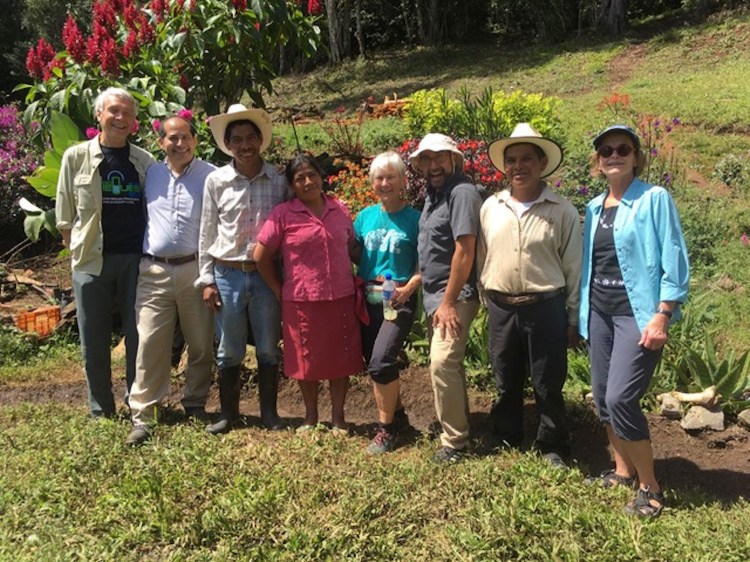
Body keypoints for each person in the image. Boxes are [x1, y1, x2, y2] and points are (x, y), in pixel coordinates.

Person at [580, 124, 689, 517]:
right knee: (601, 396)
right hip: (599, 313)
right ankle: (622, 470)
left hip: (637, 315)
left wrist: (663, 315)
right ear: (598, 160)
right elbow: (592, 266)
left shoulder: (654, 198)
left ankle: (650, 487)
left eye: (623, 149)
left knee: (620, 397)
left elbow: (673, 256)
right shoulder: (594, 207)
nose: (614, 155)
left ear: (636, 156)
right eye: (606, 150)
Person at [479, 123, 582, 467]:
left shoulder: (562, 210)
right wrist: (487, 298)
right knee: (505, 378)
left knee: (547, 381)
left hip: (545, 307)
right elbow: (482, 257)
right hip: (501, 306)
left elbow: (573, 266)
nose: (518, 166)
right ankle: (506, 435)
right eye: (511, 160)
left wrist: (572, 317)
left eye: (527, 159)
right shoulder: (491, 207)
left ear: (542, 164)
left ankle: (553, 445)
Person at [55, 87, 155, 418]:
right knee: (93, 339)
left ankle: (137, 402)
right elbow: (65, 217)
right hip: (90, 262)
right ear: (99, 115)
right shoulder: (75, 157)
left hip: (136, 261)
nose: (120, 118)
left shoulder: (145, 161)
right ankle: (101, 409)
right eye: (113, 110)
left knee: (138, 336)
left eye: (127, 113)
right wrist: (77, 252)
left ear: (134, 121)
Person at [254, 154, 365, 432]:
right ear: (292, 185)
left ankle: (338, 418)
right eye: (299, 178)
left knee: (341, 359)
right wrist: (278, 289)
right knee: (306, 361)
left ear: (321, 177)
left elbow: (352, 249)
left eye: (312, 175)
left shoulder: (339, 209)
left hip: (341, 296)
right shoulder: (283, 214)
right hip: (301, 300)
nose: (307, 182)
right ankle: (310, 418)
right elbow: (260, 256)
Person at [125, 115, 217, 446]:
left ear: (195, 140)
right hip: (154, 271)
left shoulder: (211, 176)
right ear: (161, 142)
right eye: (172, 138)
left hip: (195, 270)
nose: (179, 144)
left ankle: (195, 403)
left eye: (185, 137)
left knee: (201, 343)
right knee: (150, 343)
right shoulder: (150, 173)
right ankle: (144, 415)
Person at [198, 104, 288, 434]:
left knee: (268, 346)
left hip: (266, 275)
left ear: (261, 140)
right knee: (229, 349)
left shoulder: (279, 180)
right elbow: (207, 231)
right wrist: (207, 279)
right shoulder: (216, 181)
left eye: (251, 138)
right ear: (227, 144)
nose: (245, 145)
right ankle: (228, 413)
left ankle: (269, 413)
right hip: (228, 274)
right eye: (237, 139)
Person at [409, 134, 482, 464]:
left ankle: (454, 443)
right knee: (450, 366)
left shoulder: (461, 192)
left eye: (440, 157)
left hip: (454, 296)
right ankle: (461, 425)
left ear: (454, 160)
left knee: (441, 362)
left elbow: (465, 250)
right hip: (435, 297)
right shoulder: (433, 196)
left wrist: (449, 301)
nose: (433, 165)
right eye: (427, 159)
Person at [352, 151, 421, 454]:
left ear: (403, 180)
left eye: (391, 177)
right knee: (376, 362)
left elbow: (426, 263)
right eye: (379, 178)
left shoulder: (415, 219)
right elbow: (354, 252)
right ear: (372, 183)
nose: (385, 183)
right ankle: (400, 418)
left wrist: (409, 288)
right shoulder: (364, 218)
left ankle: (386, 430)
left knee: (381, 361)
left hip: (398, 298)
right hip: (367, 298)